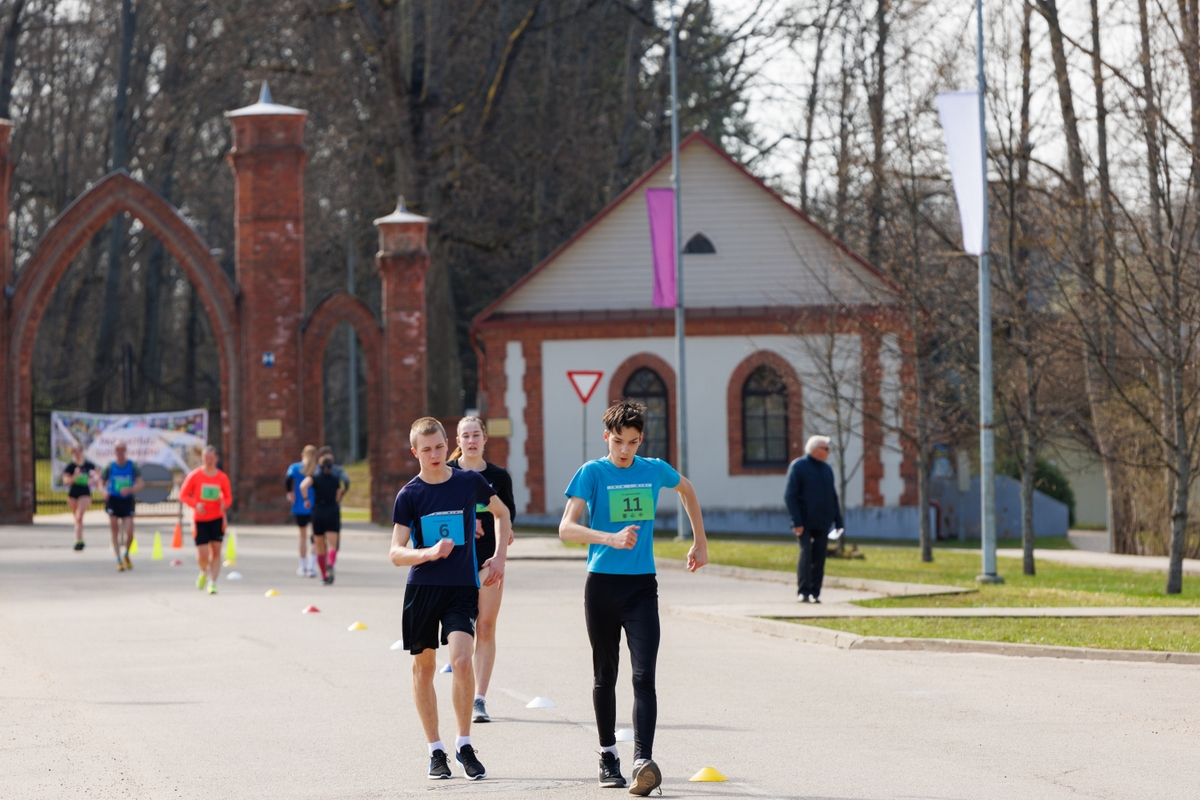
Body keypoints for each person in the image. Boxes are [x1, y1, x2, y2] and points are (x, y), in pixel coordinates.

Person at [558, 400, 709, 795]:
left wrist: (700, 541)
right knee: (605, 674)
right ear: (606, 437)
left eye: (633, 442)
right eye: (618, 441)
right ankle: (608, 755)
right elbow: (566, 529)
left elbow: (687, 490)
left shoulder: (653, 469)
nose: (625, 450)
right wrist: (609, 537)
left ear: (641, 440)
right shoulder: (592, 473)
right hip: (601, 585)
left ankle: (643, 759)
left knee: (644, 674)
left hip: (642, 586)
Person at [389, 417, 512, 781]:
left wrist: (500, 555)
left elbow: (502, 513)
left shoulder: (468, 482)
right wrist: (426, 554)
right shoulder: (409, 495)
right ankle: (436, 750)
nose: (434, 454)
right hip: (423, 590)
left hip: (461, 588)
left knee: (461, 661)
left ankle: (464, 743)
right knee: (424, 669)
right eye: (425, 449)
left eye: (439, 447)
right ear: (415, 452)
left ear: (448, 445)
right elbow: (396, 552)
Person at [447, 416, 517, 725]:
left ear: (485, 439)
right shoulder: (447, 474)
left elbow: (507, 516)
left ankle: (479, 699)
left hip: (489, 560)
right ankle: (460, 686)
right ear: (458, 441)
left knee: (486, 626)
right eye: (466, 435)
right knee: (460, 629)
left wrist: (505, 538)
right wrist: (465, 524)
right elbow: (437, 516)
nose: (472, 440)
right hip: (455, 563)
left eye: (476, 435)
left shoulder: (499, 476)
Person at [785, 435, 843, 604]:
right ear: (816, 449)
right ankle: (803, 591)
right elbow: (790, 496)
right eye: (826, 449)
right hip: (804, 522)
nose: (829, 452)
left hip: (823, 522)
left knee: (819, 557)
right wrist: (796, 522)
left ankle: (815, 593)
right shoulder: (799, 467)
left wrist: (838, 521)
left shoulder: (827, 470)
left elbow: (833, 497)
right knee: (806, 554)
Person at [179, 446, 233, 594]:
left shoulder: (222, 477)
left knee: (216, 552)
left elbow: (228, 497)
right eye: (206, 458)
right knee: (203, 554)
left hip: (216, 518)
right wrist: (196, 504)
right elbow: (183, 495)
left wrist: (224, 504)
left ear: (216, 459)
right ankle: (204, 572)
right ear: (202, 459)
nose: (209, 461)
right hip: (200, 519)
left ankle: (213, 582)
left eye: (211, 458)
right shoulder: (195, 476)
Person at [300, 449, 349, 585]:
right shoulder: (335, 479)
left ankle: (324, 576)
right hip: (332, 511)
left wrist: (306, 500)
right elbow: (338, 495)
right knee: (332, 545)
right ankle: (331, 564)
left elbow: (302, 485)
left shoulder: (314, 478)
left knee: (319, 545)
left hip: (318, 513)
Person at [101, 441, 144, 572]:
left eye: (122, 449)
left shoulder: (132, 466)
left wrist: (130, 489)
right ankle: (118, 559)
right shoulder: (109, 466)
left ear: (125, 450)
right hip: (113, 500)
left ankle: (126, 554)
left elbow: (141, 484)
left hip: (127, 501)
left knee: (129, 531)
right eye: (117, 449)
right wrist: (104, 491)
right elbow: (100, 482)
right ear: (114, 451)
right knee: (115, 530)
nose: (120, 452)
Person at [286, 445, 318, 577]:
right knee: (314, 538)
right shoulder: (317, 469)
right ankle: (312, 568)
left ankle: (302, 566)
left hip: (299, 506)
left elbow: (288, 480)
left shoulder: (295, 467)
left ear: (303, 454)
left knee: (302, 537)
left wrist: (290, 492)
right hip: (314, 505)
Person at [61, 444, 98, 551]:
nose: (77, 453)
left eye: (79, 451)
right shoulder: (71, 467)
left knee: (79, 516)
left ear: (82, 452)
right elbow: (66, 481)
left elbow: (98, 474)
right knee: (77, 519)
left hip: (84, 493)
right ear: (73, 453)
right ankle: (80, 539)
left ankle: (77, 541)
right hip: (73, 493)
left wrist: (94, 478)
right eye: (75, 451)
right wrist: (75, 476)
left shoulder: (88, 465)